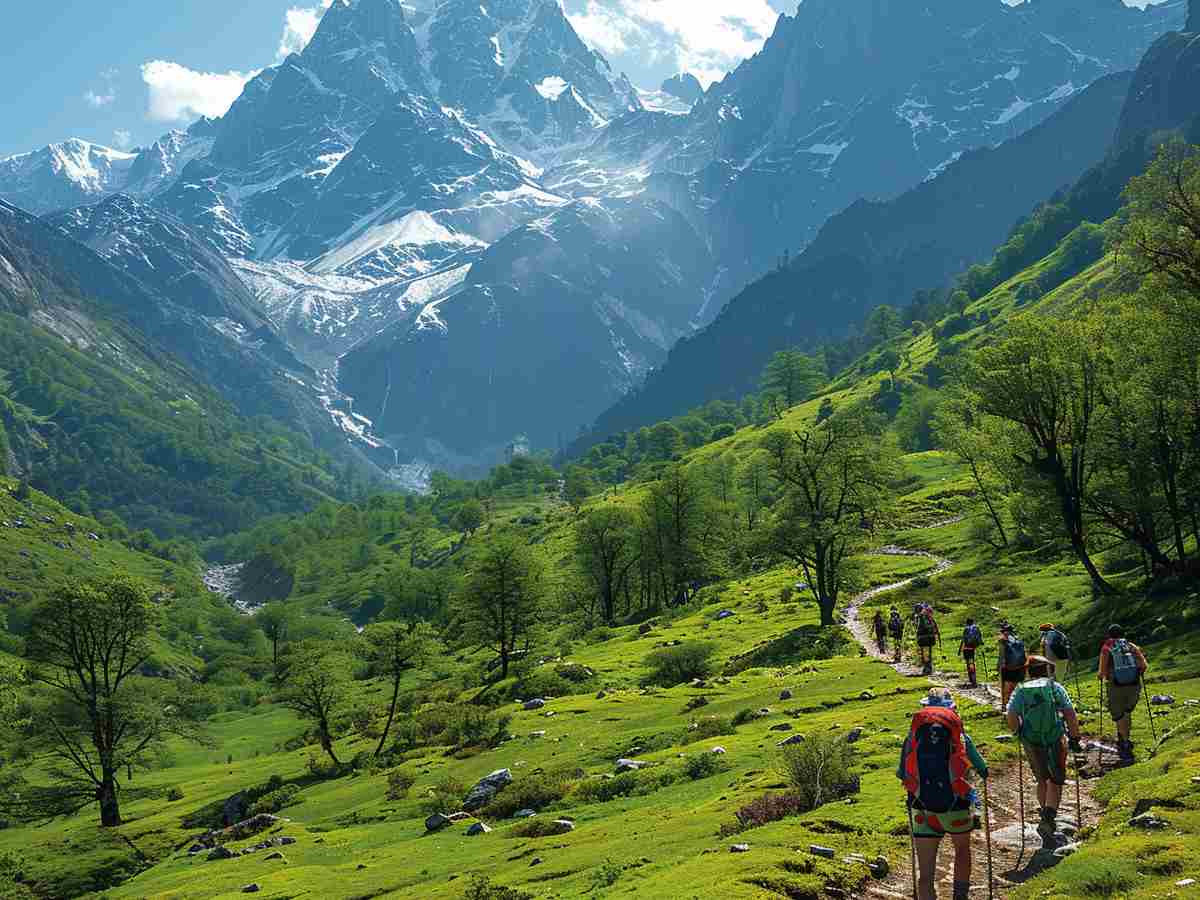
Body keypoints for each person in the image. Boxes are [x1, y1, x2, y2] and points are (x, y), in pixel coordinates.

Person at [898, 689, 989, 900]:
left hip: (922, 808)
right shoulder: (960, 735)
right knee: (962, 850)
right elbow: (982, 769)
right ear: (951, 709)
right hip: (955, 805)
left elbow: (902, 774)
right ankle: (960, 896)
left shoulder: (912, 737)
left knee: (926, 875)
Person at [1006, 656, 1084, 848]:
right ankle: (1049, 817)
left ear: (1028, 671)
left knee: (1042, 779)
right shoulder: (1054, 687)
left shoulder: (1021, 690)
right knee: (1056, 780)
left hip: (1032, 740)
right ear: (1046, 669)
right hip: (1055, 737)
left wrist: (1018, 731)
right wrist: (1074, 738)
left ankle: (1045, 814)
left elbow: (1011, 715)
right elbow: (1069, 714)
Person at [1098, 625, 1148, 763]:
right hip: (1134, 685)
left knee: (1119, 714)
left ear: (1109, 635)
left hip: (1115, 685)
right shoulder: (1131, 646)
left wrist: (1102, 676)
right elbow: (1144, 665)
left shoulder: (1107, 647)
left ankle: (1124, 741)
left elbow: (1102, 672)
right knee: (1127, 712)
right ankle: (1125, 739)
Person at [998, 623, 1027, 709]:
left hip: (1007, 668)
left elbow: (1001, 656)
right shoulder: (1019, 640)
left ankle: (1005, 706)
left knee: (1006, 688)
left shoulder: (1003, 641)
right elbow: (1024, 655)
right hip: (1020, 667)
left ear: (1004, 632)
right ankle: (1020, 705)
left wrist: (999, 667)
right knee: (1018, 687)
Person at [915, 605, 940, 676]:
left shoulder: (924, 618)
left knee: (926, 654)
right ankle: (928, 669)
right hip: (927, 639)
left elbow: (926, 627)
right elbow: (930, 628)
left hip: (925, 639)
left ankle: (927, 669)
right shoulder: (926, 618)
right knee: (927, 654)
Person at [959, 618, 983, 687]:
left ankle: (972, 680)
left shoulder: (966, 629)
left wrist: (960, 651)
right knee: (971, 662)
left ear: (967, 623)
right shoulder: (976, 628)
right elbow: (980, 639)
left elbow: (963, 640)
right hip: (973, 648)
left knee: (969, 663)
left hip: (966, 649)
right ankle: (973, 680)